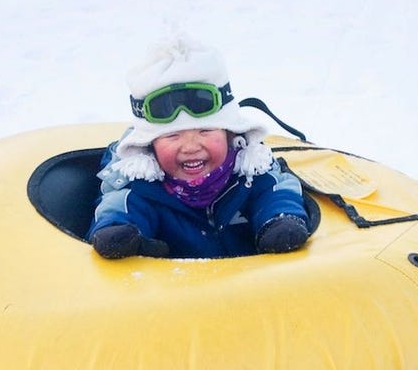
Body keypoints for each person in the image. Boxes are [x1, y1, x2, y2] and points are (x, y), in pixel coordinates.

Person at [87, 38, 314, 259]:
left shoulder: (249, 173)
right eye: (172, 135)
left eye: (205, 131)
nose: (191, 147)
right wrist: (120, 232)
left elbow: (276, 192)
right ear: (149, 146)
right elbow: (119, 207)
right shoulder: (142, 189)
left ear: (230, 133)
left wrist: (279, 220)